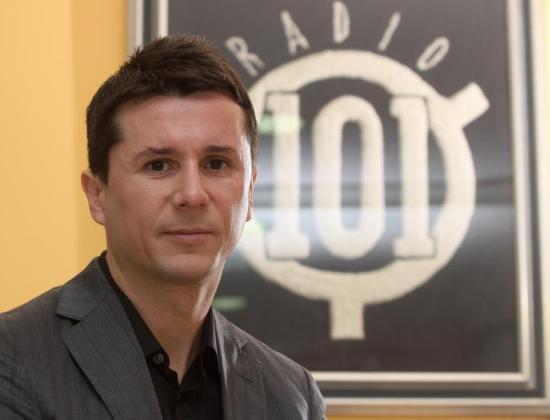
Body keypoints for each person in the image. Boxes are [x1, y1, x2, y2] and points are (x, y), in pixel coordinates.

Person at [0, 35, 325, 420]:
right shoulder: (13, 359)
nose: (192, 194)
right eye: (158, 165)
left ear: (250, 192)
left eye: (216, 164)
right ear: (97, 195)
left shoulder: (292, 396)